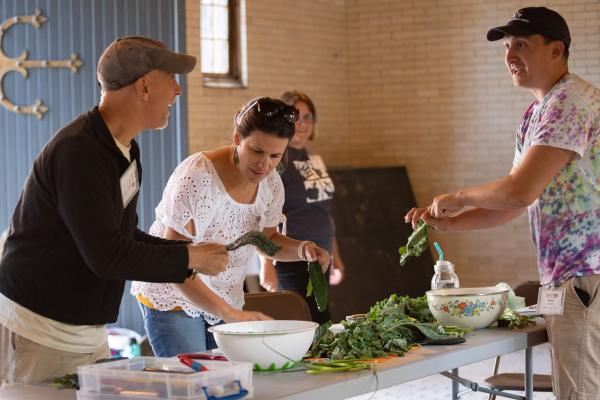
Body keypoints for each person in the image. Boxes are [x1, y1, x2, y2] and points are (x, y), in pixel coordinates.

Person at [0, 36, 229, 384]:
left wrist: (188, 252)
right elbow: (107, 255)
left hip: (85, 331)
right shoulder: (79, 151)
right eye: (172, 78)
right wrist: (189, 259)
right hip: (40, 329)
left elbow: (124, 236)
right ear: (144, 87)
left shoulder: (125, 150)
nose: (178, 91)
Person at [405, 7, 600, 399]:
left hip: (585, 274)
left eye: (522, 45)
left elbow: (518, 190)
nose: (510, 56)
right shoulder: (536, 113)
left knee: (580, 391)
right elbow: (515, 204)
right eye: (507, 46)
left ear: (556, 49)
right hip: (569, 275)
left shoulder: (570, 101)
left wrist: (456, 198)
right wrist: (446, 222)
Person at [131, 97, 331, 357]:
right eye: (257, 151)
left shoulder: (270, 183)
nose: (265, 165)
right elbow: (174, 262)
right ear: (238, 138)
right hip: (174, 298)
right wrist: (229, 313)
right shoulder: (198, 176)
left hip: (225, 301)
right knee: (193, 387)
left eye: (275, 156)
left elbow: (267, 240)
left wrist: (303, 249)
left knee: (226, 386)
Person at [260, 91, 345, 324]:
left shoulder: (312, 159)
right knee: (310, 324)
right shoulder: (279, 159)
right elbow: (264, 214)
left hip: (321, 255)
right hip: (292, 255)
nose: (303, 124)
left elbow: (324, 211)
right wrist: (266, 264)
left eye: (308, 117)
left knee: (318, 323)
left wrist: (335, 255)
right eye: (296, 117)